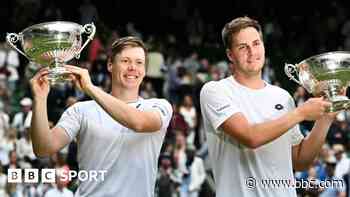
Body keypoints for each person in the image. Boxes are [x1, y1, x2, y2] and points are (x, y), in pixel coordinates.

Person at [199, 16, 338, 197]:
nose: (252, 51)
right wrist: (301, 112)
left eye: (256, 43)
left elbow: (300, 161)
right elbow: (251, 137)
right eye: (243, 47)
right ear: (230, 55)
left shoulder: (283, 97)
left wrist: (325, 118)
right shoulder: (215, 91)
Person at [30, 36, 173, 197]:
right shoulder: (81, 110)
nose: (133, 67)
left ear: (145, 70)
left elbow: (138, 123)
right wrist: (40, 99)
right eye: (125, 61)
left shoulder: (158, 106)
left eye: (139, 62)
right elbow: (43, 148)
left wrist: (90, 88)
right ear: (110, 65)